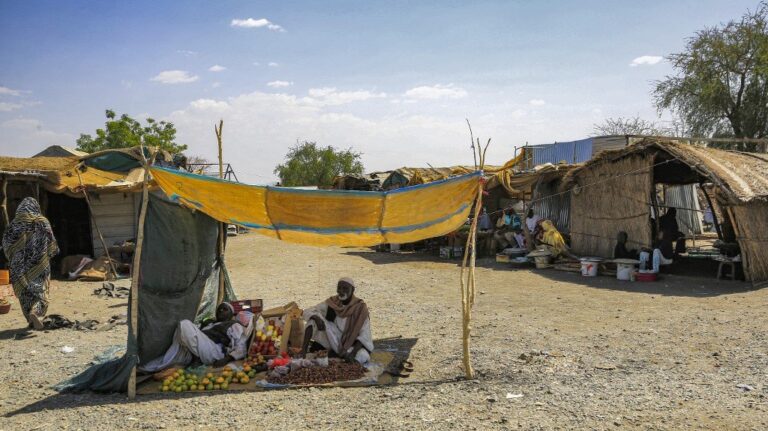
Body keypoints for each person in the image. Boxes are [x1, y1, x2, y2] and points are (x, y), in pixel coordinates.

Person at [140, 302, 252, 372]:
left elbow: (241, 344)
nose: (221, 311)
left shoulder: (234, 325)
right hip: (197, 351)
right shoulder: (209, 323)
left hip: (215, 351)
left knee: (184, 324)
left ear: (231, 315)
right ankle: (146, 369)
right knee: (167, 358)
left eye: (225, 309)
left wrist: (227, 359)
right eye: (219, 309)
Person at [2, 197, 59, 330]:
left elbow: (6, 246)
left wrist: (14, 258)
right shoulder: (42, 221)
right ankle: (36, 313)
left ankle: (30, 318)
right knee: (41, 292)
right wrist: (48, 254)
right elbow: (52, 243)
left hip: (19, 269)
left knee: (24, 294)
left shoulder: (13, 225)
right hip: (39, 265)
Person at [301, 278, 373, 364]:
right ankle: (303, 352)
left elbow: (364, 336)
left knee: (362, 355)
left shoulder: (360, 309)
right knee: (313, 319)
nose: (341, 291)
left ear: (353, 290)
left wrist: (353, 354)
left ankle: (337, 355)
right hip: (334, 338)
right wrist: (316, 318)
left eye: (345, 288)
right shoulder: (333, 302)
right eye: (339, 288)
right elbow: (307, 311)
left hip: (350, 344)